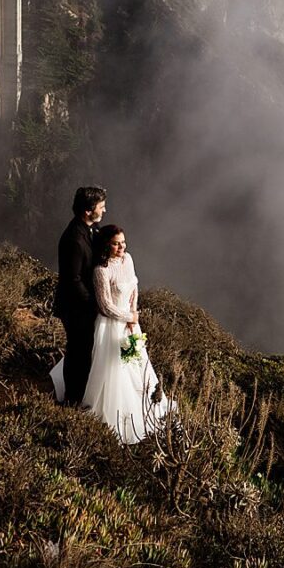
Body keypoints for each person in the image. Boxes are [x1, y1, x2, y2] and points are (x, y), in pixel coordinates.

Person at [75, 224, 174, 444]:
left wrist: (134, 314)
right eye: (116, 243)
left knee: (137, 363)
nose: (121, 246)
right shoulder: (101, 270)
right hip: (111, 326)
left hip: (130, 322)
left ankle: (146, 401)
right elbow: (105, 306)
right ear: (106, 245)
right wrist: (127, 318)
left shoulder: (128, 259)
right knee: (115, 369)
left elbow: (134, 286)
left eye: (123, 242)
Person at [52, 185, 107, 407]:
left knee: (85, 351)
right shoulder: (74, 239)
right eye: (101, 207)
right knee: (78, 353)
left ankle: (80, 395)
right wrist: (94, 304)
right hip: (75, 308)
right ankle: (72, 400)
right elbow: (72, 280)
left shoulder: (91, 229)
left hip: (83, 307)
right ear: (87, 210)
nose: (104, 210)